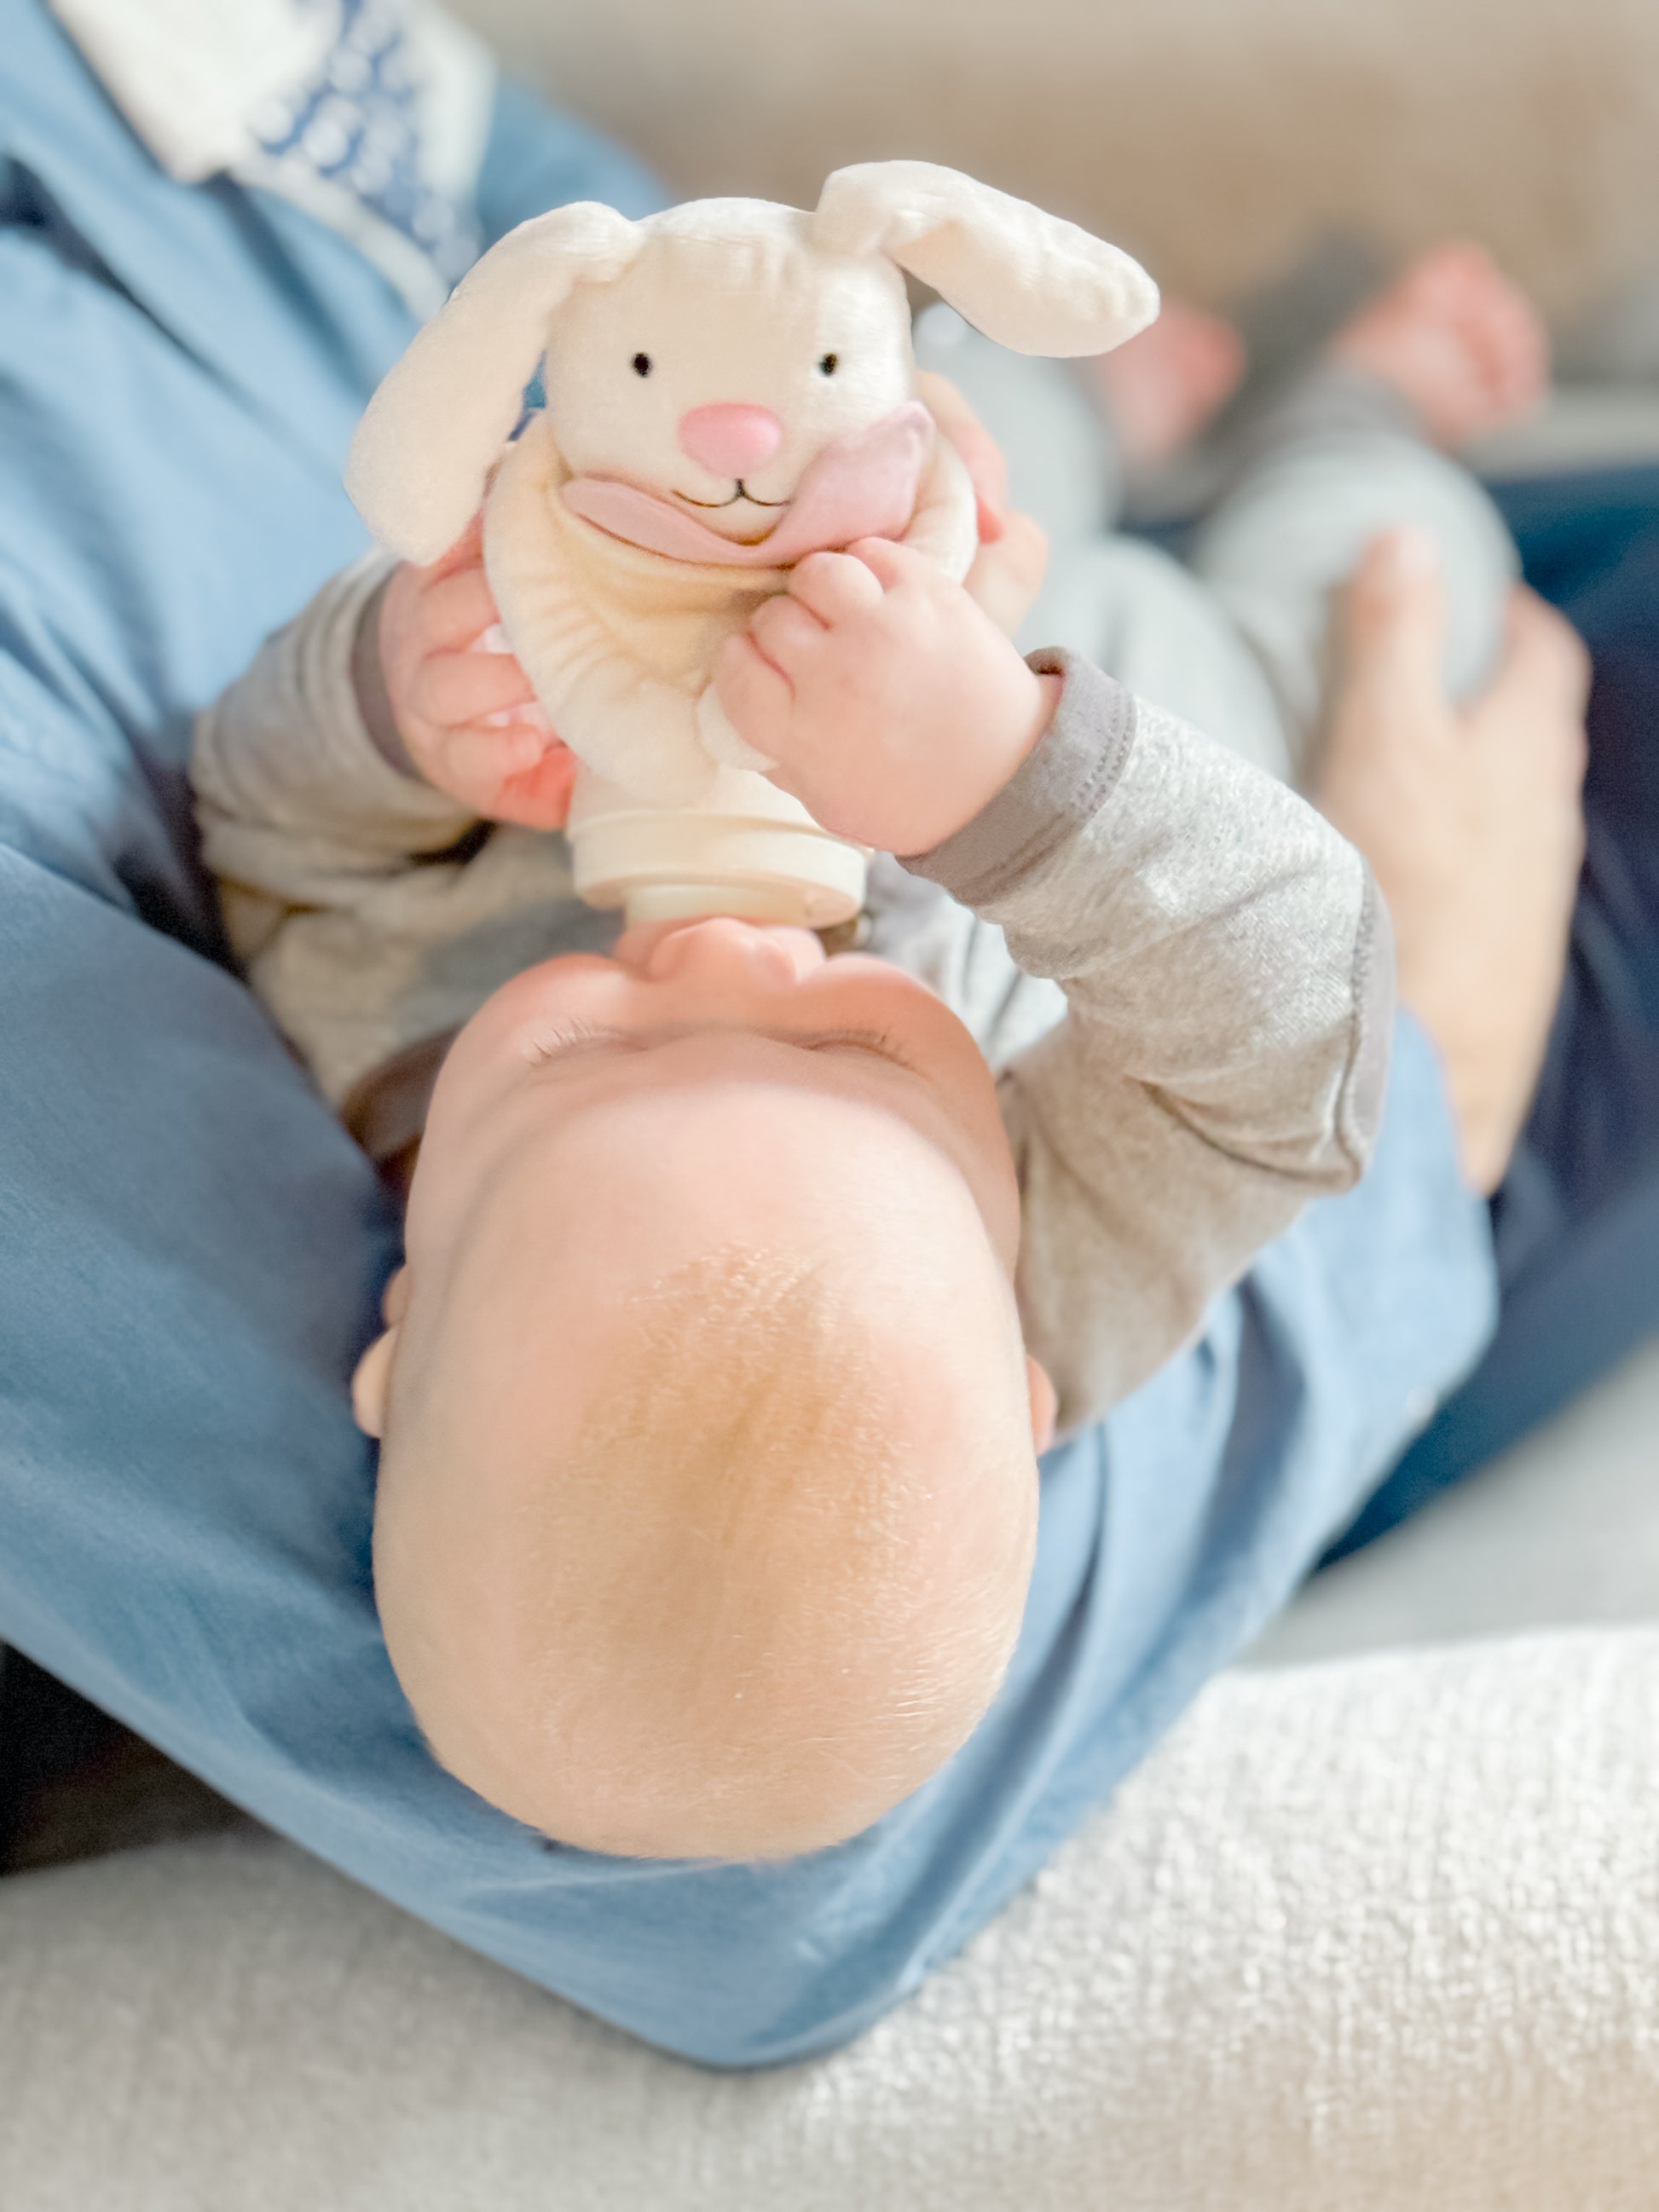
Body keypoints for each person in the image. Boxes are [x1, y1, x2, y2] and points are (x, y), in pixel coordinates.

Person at [0, 0, 1646, 2066]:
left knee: (940, 452)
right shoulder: (1078, 1266)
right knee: (1383, 567)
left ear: (403, 1324)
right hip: (1184, 717)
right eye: (864, 1058)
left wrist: (396, 707)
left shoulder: (391, 1072)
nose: (728, 964)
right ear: (1034, 1370)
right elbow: (1307, 1017)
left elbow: (276, 829)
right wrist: (994, 781)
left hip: (822, 574)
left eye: (582, 1050)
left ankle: (1108, 426)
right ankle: (1350, 419)